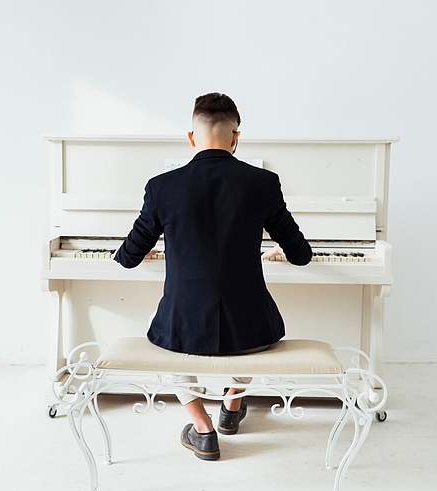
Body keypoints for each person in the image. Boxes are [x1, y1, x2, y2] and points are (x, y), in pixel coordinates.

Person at [114, 92, 312, 460]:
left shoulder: (161, 187)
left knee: (163, 336)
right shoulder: (264, 183)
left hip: (183, 327)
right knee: (252, 329)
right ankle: (232, 406)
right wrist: (283, 251)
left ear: (192, 137)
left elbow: (127, 257)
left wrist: (148, 251)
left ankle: (202, 428)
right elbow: (302, 255)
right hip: (250, 328)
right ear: (236, 137)